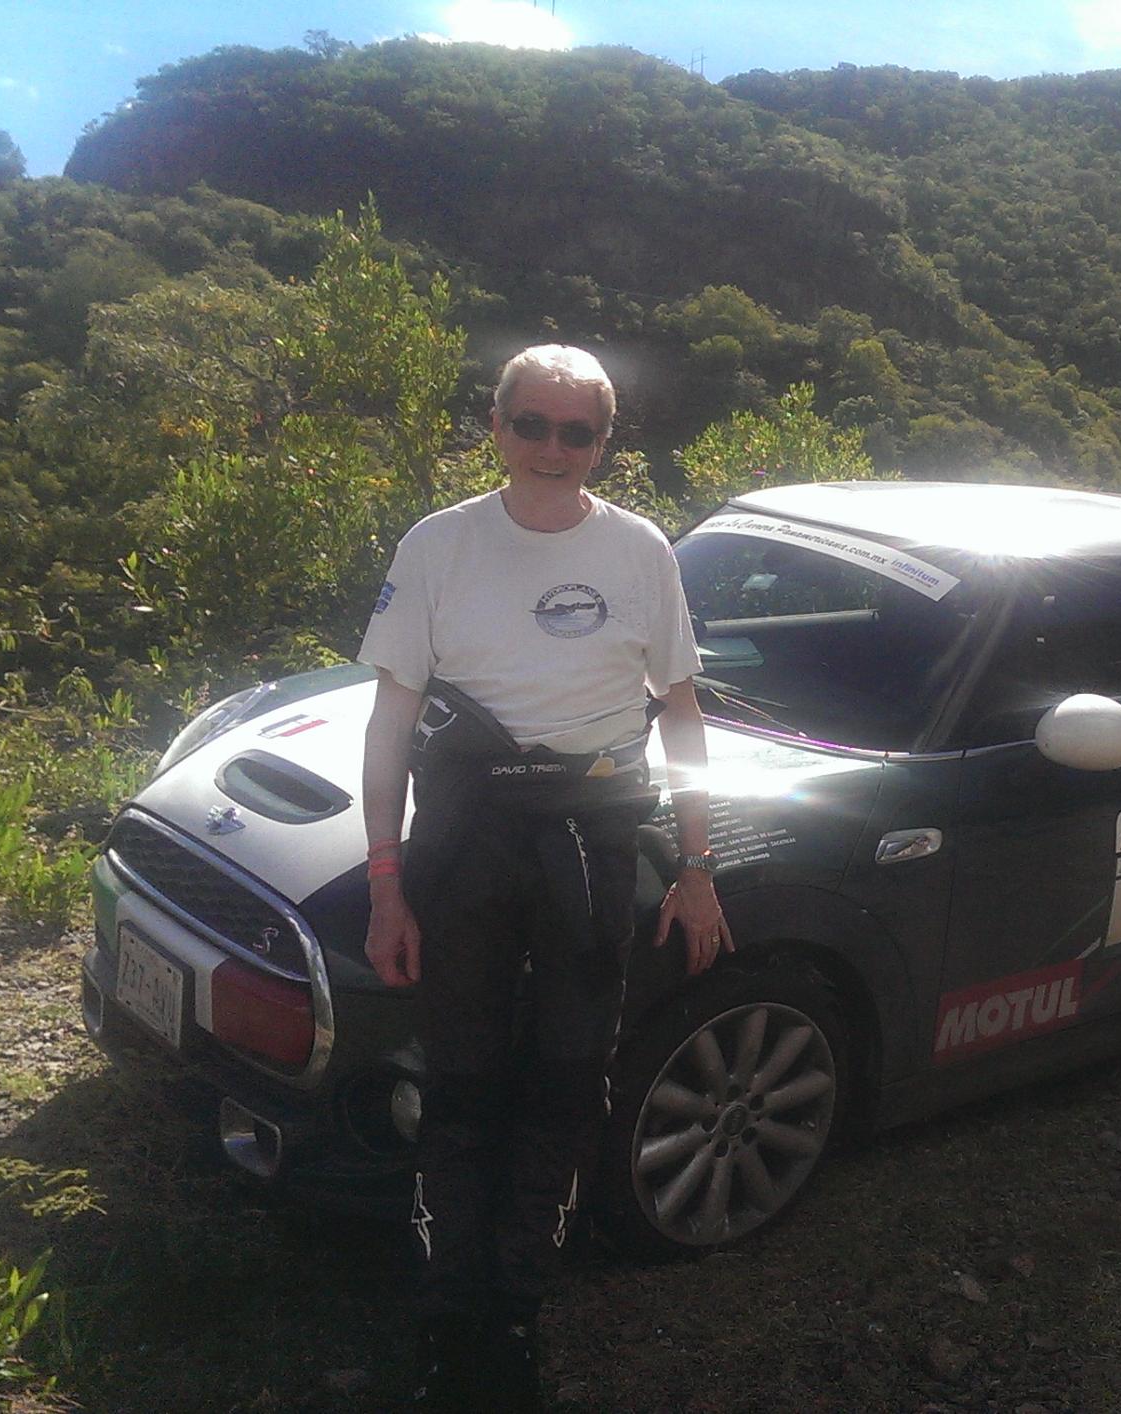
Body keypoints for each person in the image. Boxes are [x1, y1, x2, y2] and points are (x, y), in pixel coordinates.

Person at [356, 344, 732, 1411]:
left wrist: (696, 865)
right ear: (496, 425)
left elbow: (683, 712)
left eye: (577, 432)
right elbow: (390, 725)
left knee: (567, 1087)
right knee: (465, 1084)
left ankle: (516, 1311)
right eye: (533, 425)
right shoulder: (440, 544)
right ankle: (446, 1317)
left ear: (604, 444)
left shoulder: (640, 550)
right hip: (468, 835)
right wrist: (387, 883)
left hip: (592, 833)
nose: (553, 449)